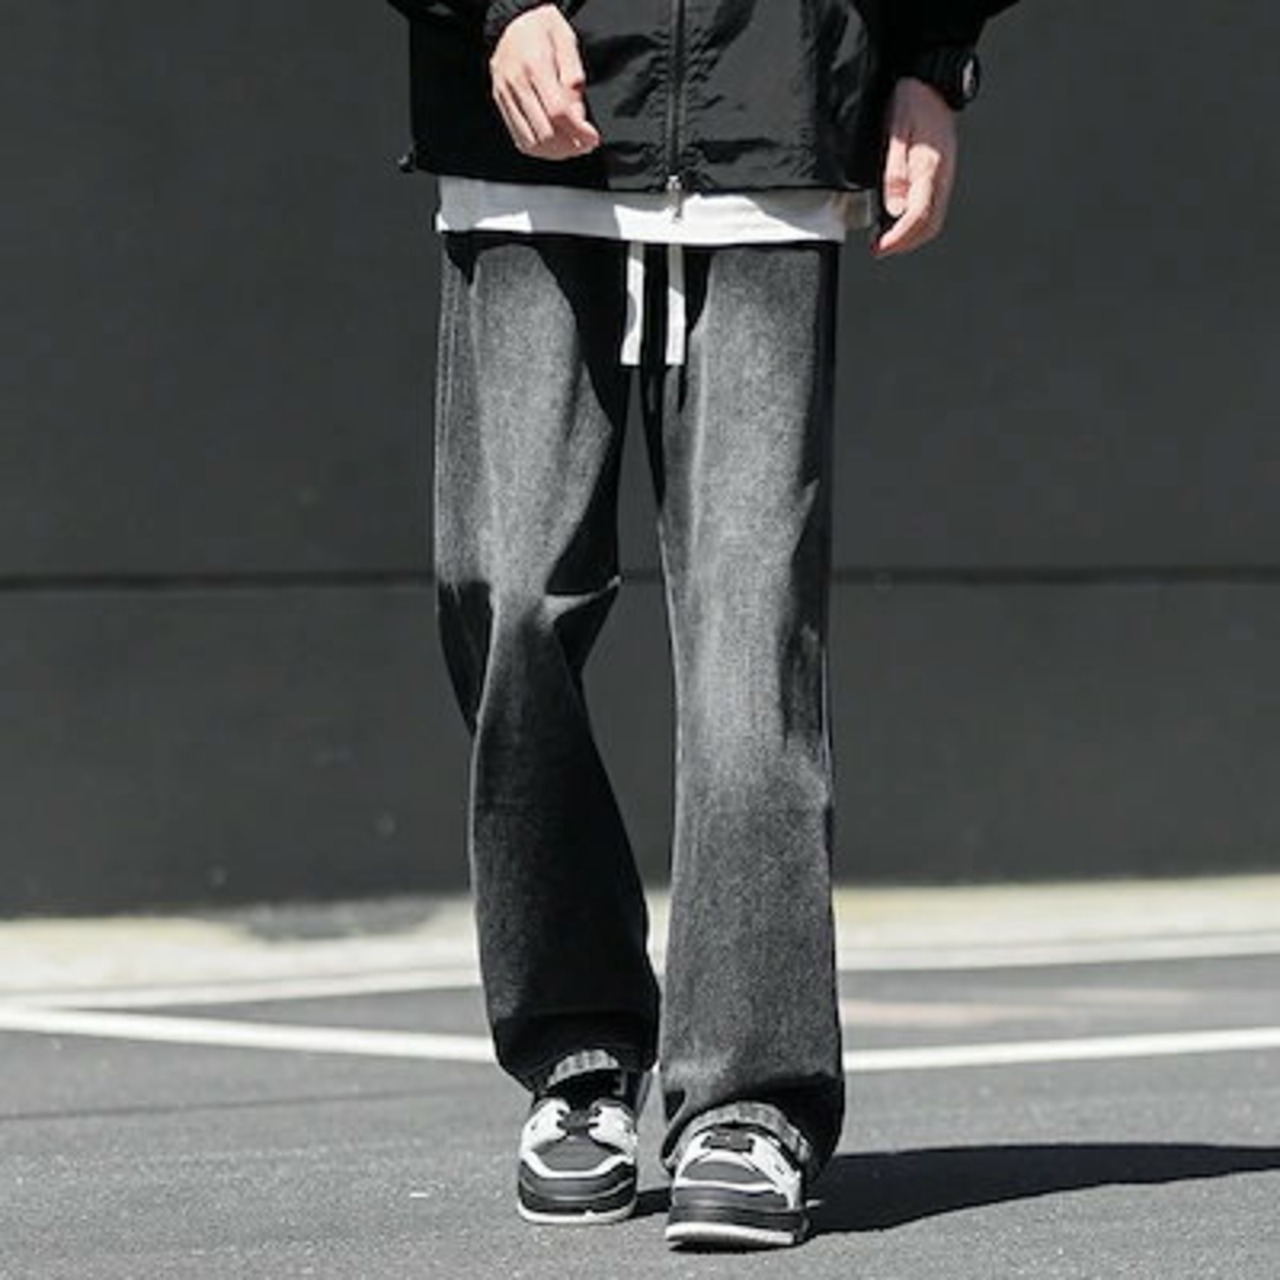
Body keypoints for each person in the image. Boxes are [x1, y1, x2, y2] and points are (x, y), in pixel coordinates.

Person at [385, 0, 1019, 1250]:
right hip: (531, 146)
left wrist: (930, 56)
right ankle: (579, 1046)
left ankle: (748, 1095)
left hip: (766, 127)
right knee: (508, 601)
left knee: (750, 634)